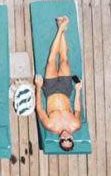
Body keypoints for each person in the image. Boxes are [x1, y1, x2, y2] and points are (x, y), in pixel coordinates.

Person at [34, 16, 83, 152]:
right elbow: (77, 109)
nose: (65, 137)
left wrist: (38, 88)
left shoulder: (51, 126)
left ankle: (61, 28)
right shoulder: (76, 124)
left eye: (63, 141)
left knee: (51, 60)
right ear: (72, 139)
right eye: (68, 140)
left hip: (50, 91)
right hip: (66, 90)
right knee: (64, 60)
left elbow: (40, 109)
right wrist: (78, 90)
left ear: (59, 140)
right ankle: (61, 28)